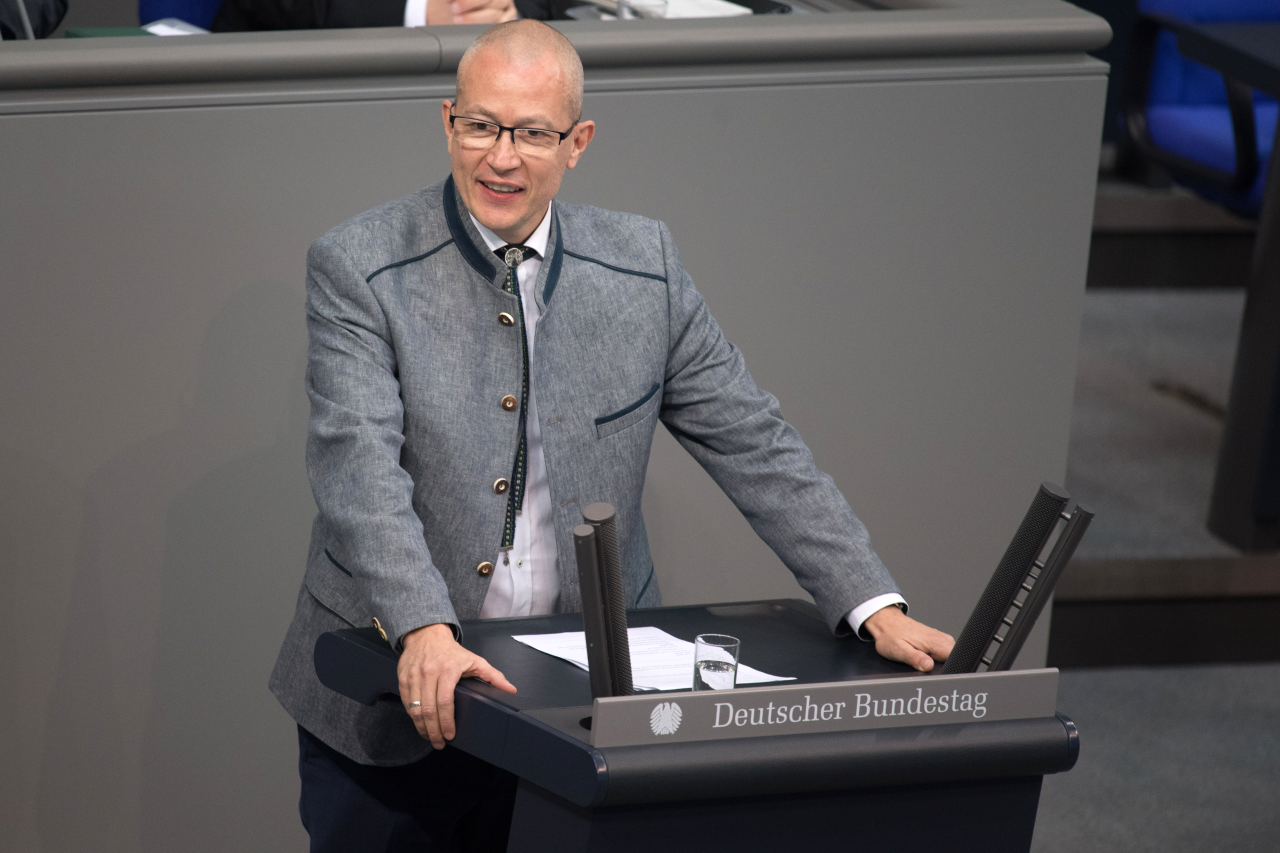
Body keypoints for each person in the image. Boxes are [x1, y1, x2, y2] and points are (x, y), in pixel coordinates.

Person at [269, 18, 955, 852]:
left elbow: (753, 440)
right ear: (448, 123)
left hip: (581, 714)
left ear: (578, 142)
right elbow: (358, 473)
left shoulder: (645, 267)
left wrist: (868, 600)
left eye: (532, 132)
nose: (502, 157)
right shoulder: (358, 264)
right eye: (481, 125)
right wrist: (423, 628)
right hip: (396, 704)